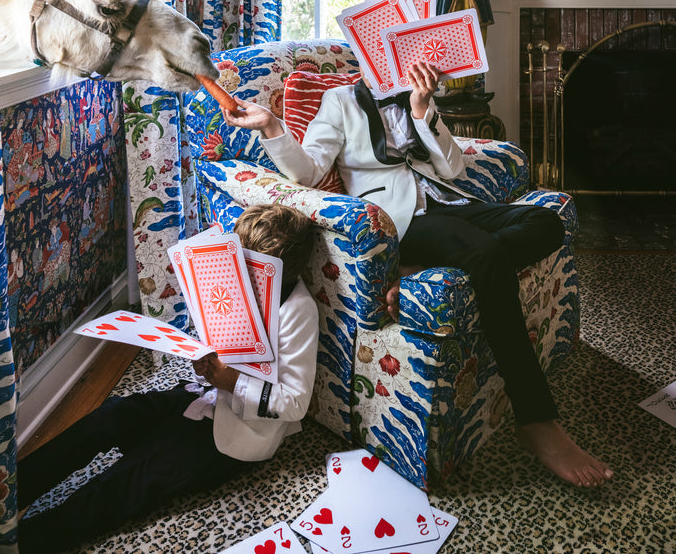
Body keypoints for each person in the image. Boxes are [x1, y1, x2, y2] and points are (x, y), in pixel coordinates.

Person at [225, 61, 614, 489]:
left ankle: (430, 270)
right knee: (483, 253)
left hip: (450, 206)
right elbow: (308, 172)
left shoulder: (418, 95)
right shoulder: (340, 101)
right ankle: (536, 418)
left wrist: (422, 109)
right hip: (400, 222)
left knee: (546, 223)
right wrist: (271, 126)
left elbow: (452, 169)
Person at [17, 204, 319, 553]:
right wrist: (204, 358)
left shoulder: (297, 311)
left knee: (130, 476)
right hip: (201, 399)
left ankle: (26, 543)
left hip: (236, 437)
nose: (242, 277)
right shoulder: (237, 284)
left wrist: (231, 381)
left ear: (280, 273)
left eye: (252, 271)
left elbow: (295, 402)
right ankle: (6, 493)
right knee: (111, 415)